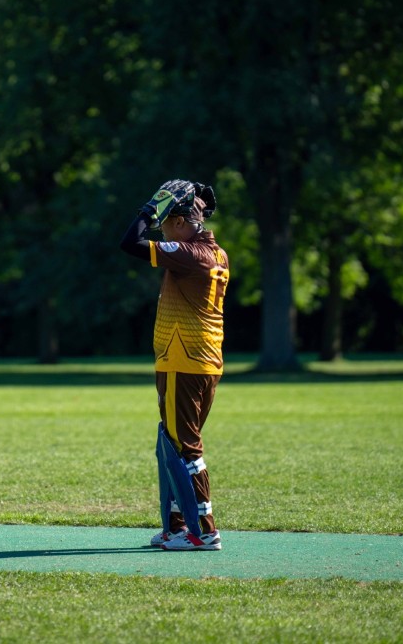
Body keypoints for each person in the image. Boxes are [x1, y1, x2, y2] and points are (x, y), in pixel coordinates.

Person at [120, 179, 229, 551]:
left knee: (184, 447)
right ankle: (178, 527)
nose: (160, 227)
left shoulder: (190, 253)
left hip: (184, 361)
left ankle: (203, 532)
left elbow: (129, 243)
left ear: (181, 222)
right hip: (201, 361)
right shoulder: (216, 252)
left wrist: (149, 209)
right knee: (171, 443)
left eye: (166, 220)